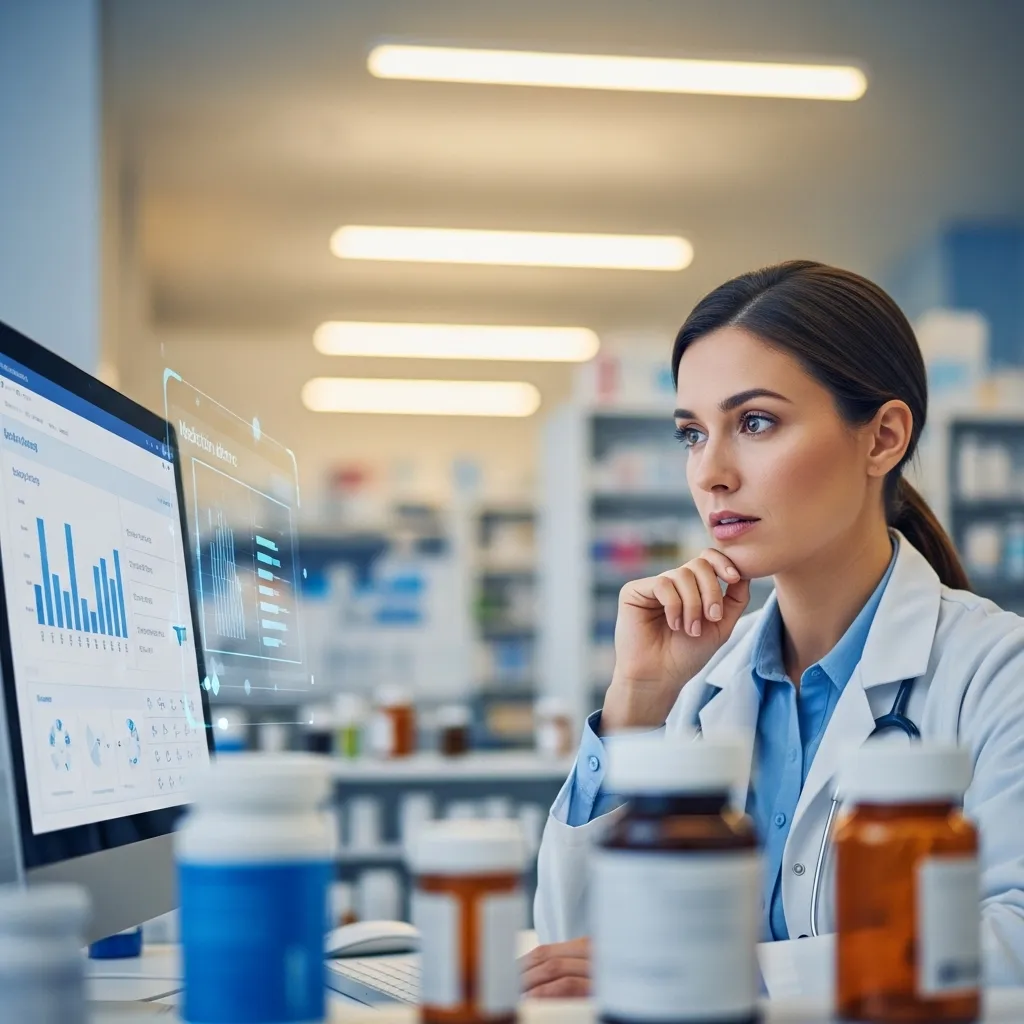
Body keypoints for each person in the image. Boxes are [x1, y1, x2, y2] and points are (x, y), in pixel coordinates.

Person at [522, 261, 1024, 999]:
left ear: (882, 438)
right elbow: (572, 956)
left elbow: (1015, 936)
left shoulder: (998, 671)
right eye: (692, 434)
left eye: (755, 423)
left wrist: (747, 974)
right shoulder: (704, 684)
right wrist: (639, 701)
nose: (711, 472)